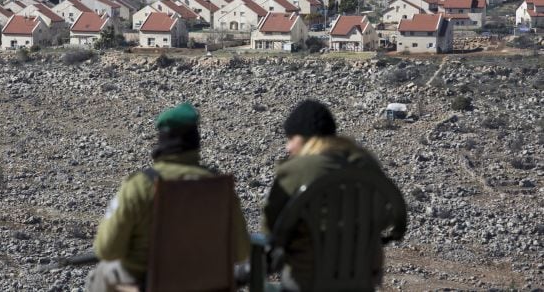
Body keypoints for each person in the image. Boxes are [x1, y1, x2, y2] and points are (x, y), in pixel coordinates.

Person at [86, 102, 251, 292]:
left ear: (162, 140)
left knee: (100, 274)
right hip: (209, 286)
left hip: (150, 285)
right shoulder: (220, 187)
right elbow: (241, 251)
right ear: (195, 141)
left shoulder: (139, 186)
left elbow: (107, 249)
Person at [263, 99, 406, 291]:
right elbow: (391, 219)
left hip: (306, 282)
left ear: (303, 138)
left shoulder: (296, 169)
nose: (288, 147)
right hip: (362, 281)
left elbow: (270, 230)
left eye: (291, 139)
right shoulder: (367, 164)